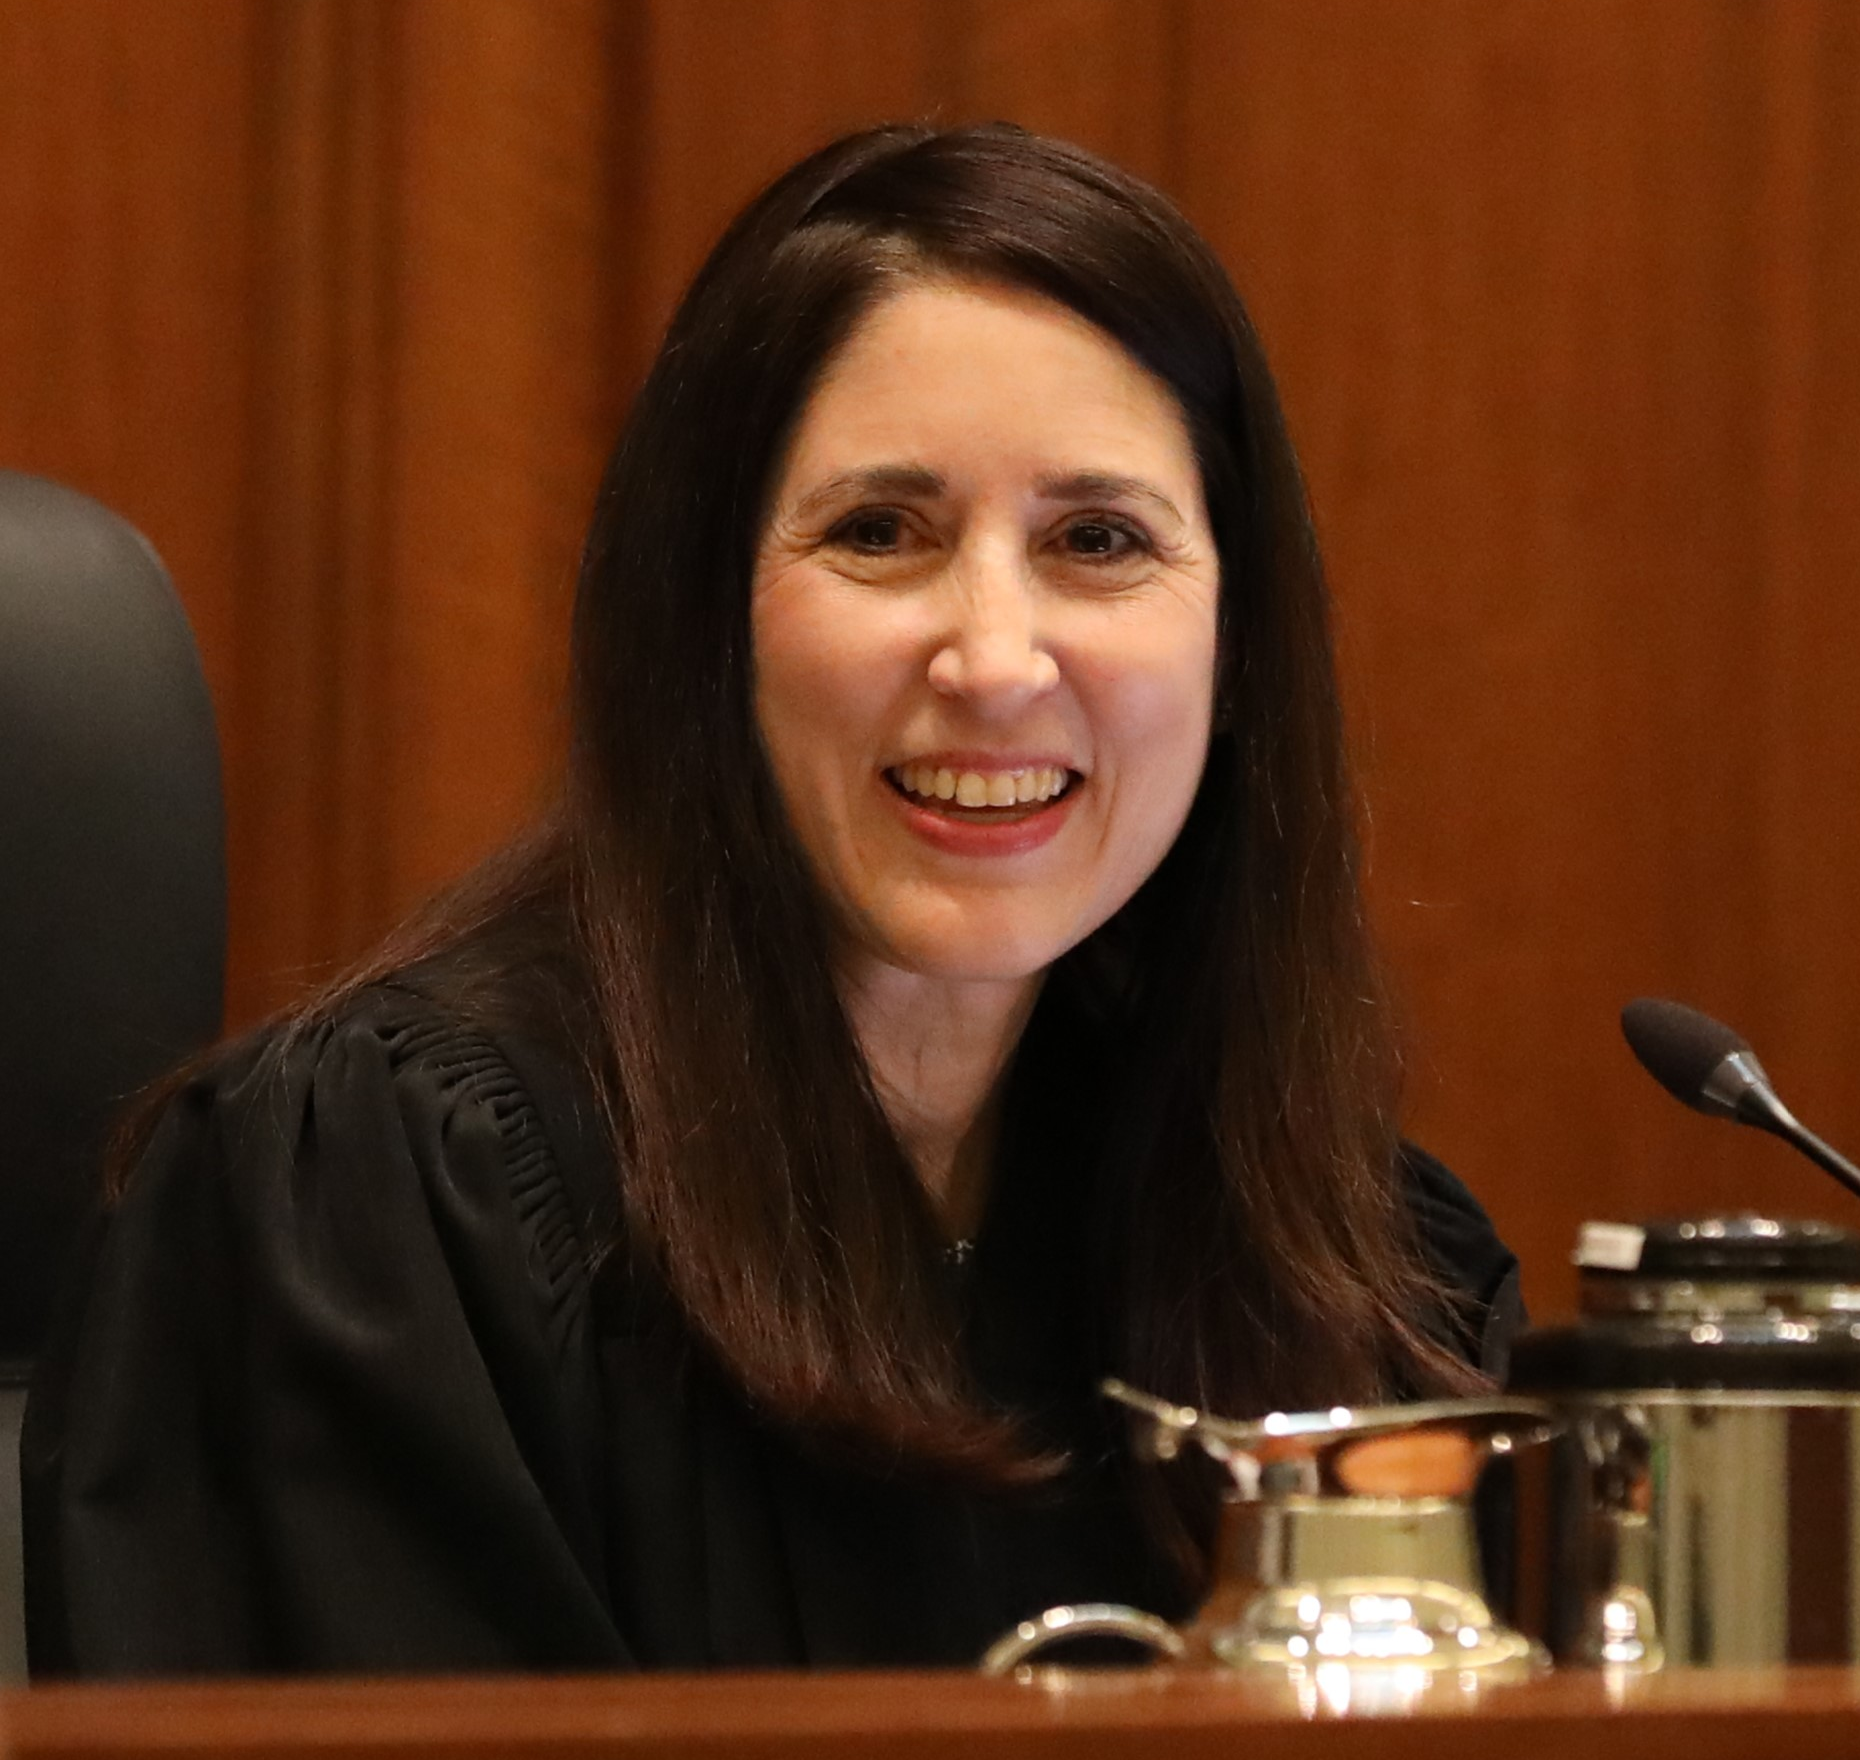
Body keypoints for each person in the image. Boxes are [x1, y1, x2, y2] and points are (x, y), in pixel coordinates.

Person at [19, 123, 1519, 1675]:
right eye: (881, 533)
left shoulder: (1359, 1275)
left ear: (1238, 644)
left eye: (1098, 541)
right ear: (704, 618)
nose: (997, 660)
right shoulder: (382, 1213)